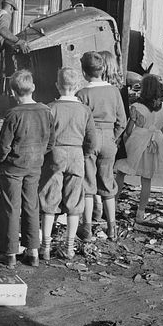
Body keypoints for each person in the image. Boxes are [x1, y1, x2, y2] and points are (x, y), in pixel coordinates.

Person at [0, 69, 55, 268]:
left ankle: (10, 254)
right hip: (35, 165)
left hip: (13, 167)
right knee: (31, 206)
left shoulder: (13, 114)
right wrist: (38, 156)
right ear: (33, 88)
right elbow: (51, 142)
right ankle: (33, 252)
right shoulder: (46, 111)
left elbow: (3, 145)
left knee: (11, 207)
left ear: (12, 92)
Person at [38, 68, 97, 263]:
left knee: (49, 198)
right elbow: (91, 141)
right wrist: (84, 154)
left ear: (57, 85)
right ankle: (70, 246)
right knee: (75, 202)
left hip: (55, 153)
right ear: (78, 86)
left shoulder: (50, 108)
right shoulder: (84, 110)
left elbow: (44, 137)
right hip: (77, 155)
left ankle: (45, 246)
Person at [76, 50, 127, 241]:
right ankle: (112, 227)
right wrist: (113, 137)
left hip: (90, 138)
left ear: (83, 71)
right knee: (107, 183)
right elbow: (122, 120)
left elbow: (79, 120)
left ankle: (87, 227)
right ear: (103, 68)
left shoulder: (82, 94)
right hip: (109, 138)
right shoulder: (114, 91)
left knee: (88, 184)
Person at [114, 74, 163, 223]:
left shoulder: (137, 107)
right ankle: (141, 212)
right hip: (154, 143)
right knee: (146, 179)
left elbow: (128, 131)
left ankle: (113, 204)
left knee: (121, 172)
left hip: (136, 142)